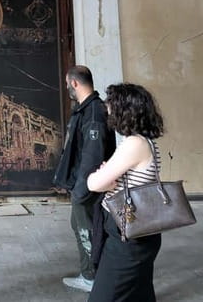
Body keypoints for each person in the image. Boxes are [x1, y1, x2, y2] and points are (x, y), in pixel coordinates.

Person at [86, 83, 165, 301]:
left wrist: (105, 179)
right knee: (138, 295)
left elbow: (93, 183)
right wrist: (110, 179)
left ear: (125, 110)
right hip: (141, 230)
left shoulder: (134, 144)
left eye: (111, 105)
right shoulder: (146, 141)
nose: (108, 110)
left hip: (127, 235)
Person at [54, 65, 117, 292]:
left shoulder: (93, 113)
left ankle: (92, 278)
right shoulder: (86, 109)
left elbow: (92, 157)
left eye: (67, 83)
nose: (66, 87)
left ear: (74, 83)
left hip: (89, 187)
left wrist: (81, 191)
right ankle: (91, 274)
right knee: (80, 225)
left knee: (87, 229)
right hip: (84, 185)